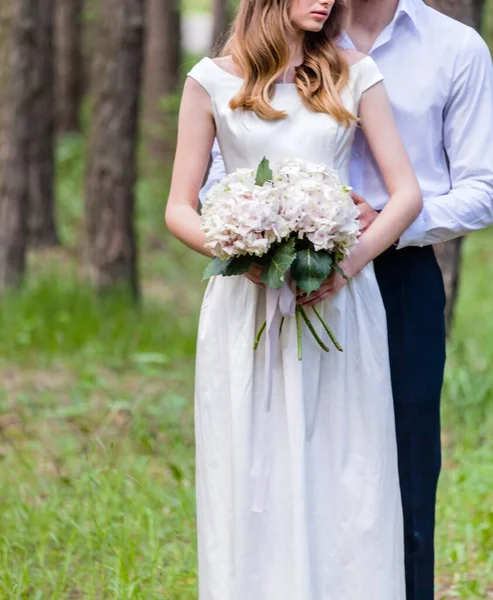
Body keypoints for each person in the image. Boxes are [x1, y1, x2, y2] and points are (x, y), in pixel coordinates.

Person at [200, 0, 493, 598]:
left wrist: (372, 227)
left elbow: (482, 189)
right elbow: (212, 176)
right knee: (271, 466)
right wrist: (261, 234)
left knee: (401, 470)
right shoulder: (272, 48)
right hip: (276, 278)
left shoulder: (455, 47)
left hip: (398, 272)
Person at [167, 0, 423, 597]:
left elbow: (405, 194)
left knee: (348, 469)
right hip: (246, 305)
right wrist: (237, 248)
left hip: (338, 301)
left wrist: (350, 263)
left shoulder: (354, 72)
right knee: (251, 471)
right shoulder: (209, 81)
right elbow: (179, 206)